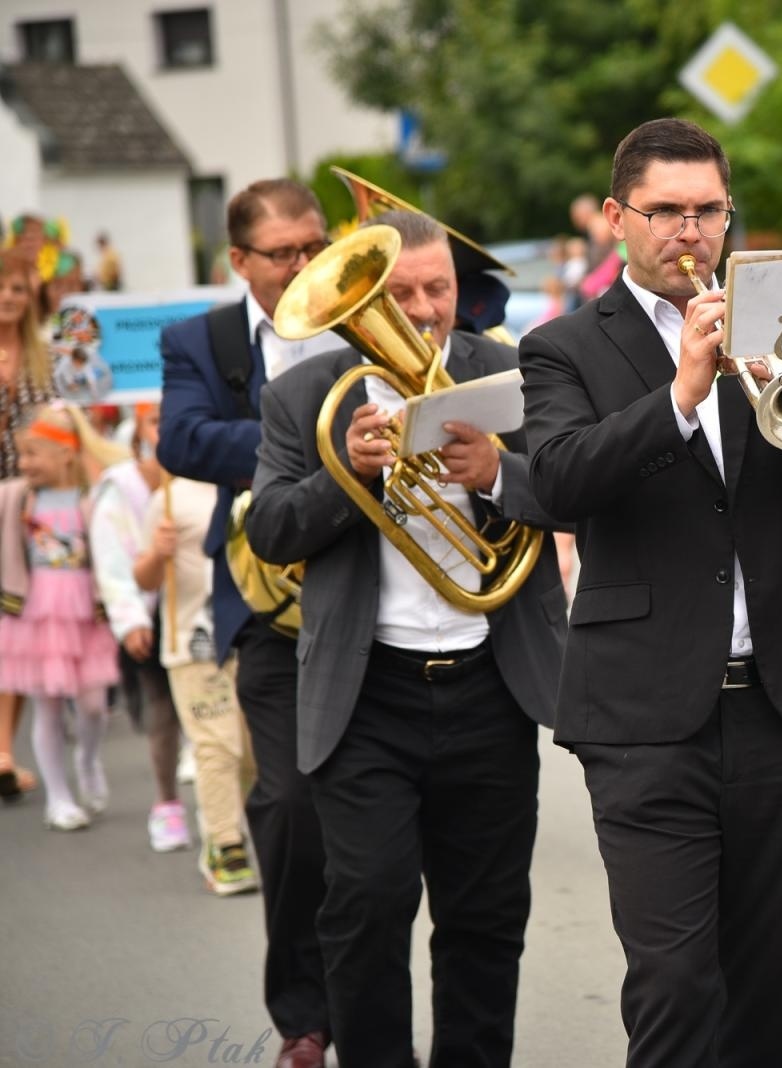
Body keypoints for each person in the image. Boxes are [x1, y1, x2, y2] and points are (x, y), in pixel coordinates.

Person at [521, 117, 782, 1067]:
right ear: (617, 218)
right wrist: (681, 394)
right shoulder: (562, 346)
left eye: (707, 212)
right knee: (677, 985)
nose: (688, 232)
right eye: (666, 213)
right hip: (645, 712)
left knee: (769, 982)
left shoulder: (778, 321)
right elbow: (559, 480)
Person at [247, 208, 568, 1067]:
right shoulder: (307, 396)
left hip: (491, 685)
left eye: (438, 289)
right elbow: (272, 530)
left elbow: (578, 494)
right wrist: (341, 474)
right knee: (366, 905)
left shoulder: (512, 373)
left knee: (487, 916)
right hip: (368, 696)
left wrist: (500, 471)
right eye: (400, 294)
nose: (422, 310)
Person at [157, 177, 341, 1068]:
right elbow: (181, 439)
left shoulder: (364, 308)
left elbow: (476, 314)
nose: (305, 266)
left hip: (379, 602)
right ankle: (303, 1015)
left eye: (315, 245)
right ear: (240, 262)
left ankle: (372, 1010)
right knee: (292, 802)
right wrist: (300, 441)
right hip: (271, 605)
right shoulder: (204, 339)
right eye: (284, 254)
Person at [136, 465, 260, 896]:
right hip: (194, 644)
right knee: (216, 746)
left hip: (254, 639)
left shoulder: (254, 479)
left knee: (250, 752)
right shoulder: (170, 497)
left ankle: (230, 832)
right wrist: (157, 552)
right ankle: (225, 844)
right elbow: (143, 578)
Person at [0, 403, 124, 830]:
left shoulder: (92, 496)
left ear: (65, 453)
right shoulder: (16, 496)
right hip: (35, 614)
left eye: (34, 453)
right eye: (22, 455)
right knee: (48, 705)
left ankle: (88, 760)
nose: (25, 463)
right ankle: (59, 797)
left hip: (84, 611)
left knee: (93, 705)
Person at [88, 400, 191, 853]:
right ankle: (167, 805)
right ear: (137, 436)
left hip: (198, 611)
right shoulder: (118, 490)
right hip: (149, 613)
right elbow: (111, 560)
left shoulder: (198, 475)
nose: (163, 429)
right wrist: (129, 620)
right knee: (161, 708)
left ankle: (226, 815)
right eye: (154, 421)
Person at [0, 249, 58, 801]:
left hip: (38, 506)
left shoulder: (45, 359)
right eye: (1, 288)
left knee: (15, 627)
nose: (9, 298)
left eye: (17, 288)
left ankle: (5, 752)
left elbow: (65, 424)